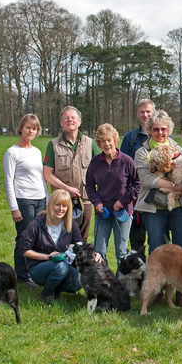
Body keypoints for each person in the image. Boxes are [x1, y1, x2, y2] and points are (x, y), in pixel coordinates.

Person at [135, 110, 182, 254]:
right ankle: (158, 277)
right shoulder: (142, 152)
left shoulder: (178, 149)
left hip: (179, 206)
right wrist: (175, 186)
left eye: (164, 129)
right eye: (156, 129)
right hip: (154, 208)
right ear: (150, 130)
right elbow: (147, 179)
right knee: (156, 250)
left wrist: (175, 166)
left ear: (168, 130)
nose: (160, 132)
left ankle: (179, 277)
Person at [86, 123, 140, 267]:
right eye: (102, 141)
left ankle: (120, 286)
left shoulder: (127, 161)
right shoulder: (95, 162)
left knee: (121, 252)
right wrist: (96, 202)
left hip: (122, 213)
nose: (106, 144)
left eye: (109, 140)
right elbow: (89, 186)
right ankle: (103, 285)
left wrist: (123, 201)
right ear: (98, 143)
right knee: (99, 252)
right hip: (102, 213)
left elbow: (137, 184)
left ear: (115, 141)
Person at [16, 189, 84, 303]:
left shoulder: (71, 224)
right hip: (38, 267)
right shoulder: (38, 223)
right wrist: (47, 257)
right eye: (57, 205)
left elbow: (79, 244)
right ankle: (45, 295)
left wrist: (94, 254)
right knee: (60, 267)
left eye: (64, 206)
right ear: (51, 205)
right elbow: (23, 249)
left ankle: (54, 289)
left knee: (79, 280)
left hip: (64, 266)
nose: (60, 209)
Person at [4, 114, 48, 288]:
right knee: (25, 239)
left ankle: (34, 273)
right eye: (28, 127)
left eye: (35, 128)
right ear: (21, 128)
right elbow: (8, 181)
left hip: (40, 199)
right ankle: (21, 276)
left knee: (38, 238)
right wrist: (14, 208)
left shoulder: (36, 151)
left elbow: (41, 177)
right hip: (23, 200)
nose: (31, 131)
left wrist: (47, 200)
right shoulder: (12, 152)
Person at [44, 106, 99, 240]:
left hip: (85, 200)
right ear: (61, 123)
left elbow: (100, 171)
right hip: (62, 201)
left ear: (79, 122)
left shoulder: (90, 143)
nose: (70, 120)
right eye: (66, 118)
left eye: (73, 117)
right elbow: (47, 174)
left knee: (82, 239)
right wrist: (67, 189)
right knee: (62, 239)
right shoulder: (53, 145)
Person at [121, 99, 156, 256]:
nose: (145, 114)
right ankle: (139, 277)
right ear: (138, 114)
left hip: (157, 195)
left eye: (148, 111)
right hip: (136, 197)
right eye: (142, 112)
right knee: (137, 239)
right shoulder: (130, 138)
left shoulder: (162, 135)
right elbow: (121, 168)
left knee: (159, 239)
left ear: (153, 112)